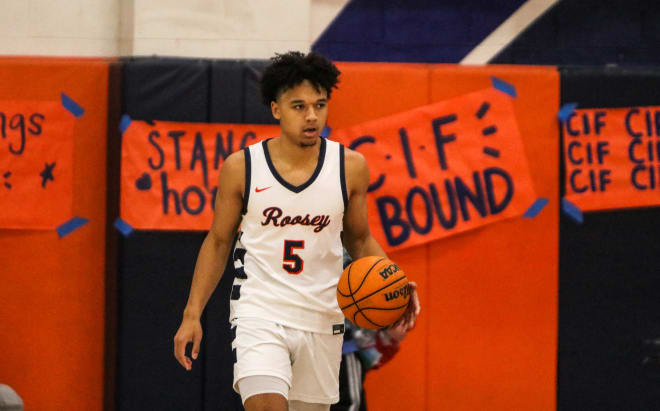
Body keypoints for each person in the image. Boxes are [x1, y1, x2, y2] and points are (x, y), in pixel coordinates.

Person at [173, 51, 420, 411]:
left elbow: (360, 239)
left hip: (322, 316)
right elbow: (218, 241)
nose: (312, 116)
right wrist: (191, 313)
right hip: (259, 310)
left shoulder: (350, 167)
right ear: (276, 109)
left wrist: (395, 283)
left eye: (320, 105)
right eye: (299, 106)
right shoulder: (241, 167)